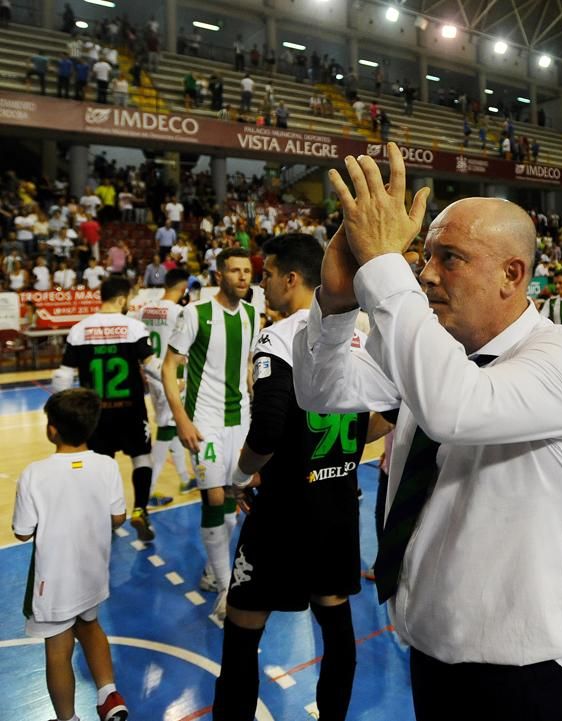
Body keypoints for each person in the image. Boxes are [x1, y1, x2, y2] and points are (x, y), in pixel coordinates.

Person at [293, 145, 562, 720]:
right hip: (433, 647)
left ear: (512, 274)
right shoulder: (435, 348)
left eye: (451, 258)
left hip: (527, 669)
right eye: (424, 255)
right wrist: (337, 304)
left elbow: (454, 409)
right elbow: (321, 395)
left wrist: (385, 263)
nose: (427, 273)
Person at [214, 234, 383, 720]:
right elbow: (387, 414)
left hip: (283, 513)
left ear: (291, 278)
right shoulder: (363, 330)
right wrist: (343, 453)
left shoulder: (281, 335)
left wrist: (241, 475)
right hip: (336, 508)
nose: (261, 283)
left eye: (265, 274)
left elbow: (267, 431)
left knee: (243, 634)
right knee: (337, 632)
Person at [13, 388, 130, 721]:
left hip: (54, 582)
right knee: (91, 627)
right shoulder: (107, 466)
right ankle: (109, 694)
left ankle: (68, 719)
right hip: (92, 572)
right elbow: (118, 517)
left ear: (52, 429)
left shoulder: (35, 474)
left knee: (58, 649)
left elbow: (22, 532)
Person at [162, 248, 259, 623]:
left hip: (242, 420)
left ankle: (212, 569)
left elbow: (248, 367)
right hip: (205, 421)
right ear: (220, 275)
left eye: (247, 271)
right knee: (214, 496)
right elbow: (169, 369)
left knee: (236, 497)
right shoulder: (195, 314)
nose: (242, 277)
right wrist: (181, 419)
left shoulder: (253, 314)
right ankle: (224, 591)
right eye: (234, 271)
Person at [53, 276, 160, 541]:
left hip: (95, 413)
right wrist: (176, 382)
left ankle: (106, 516)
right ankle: (140, 511)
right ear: (122, 298)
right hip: (132, 410)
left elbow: (63, 377)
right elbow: (152, 366)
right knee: (141, 458)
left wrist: (64, 411)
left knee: (101, 465)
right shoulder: (134, 328)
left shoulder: (79, 330)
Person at [140, 269, 193, 501]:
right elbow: (183, 350)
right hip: (171, 377)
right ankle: (148, 491)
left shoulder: (145, 309)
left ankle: (184, 478)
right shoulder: (180, 312)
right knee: (167, 428)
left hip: (152, 374)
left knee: (171, 425)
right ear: (184, 289)